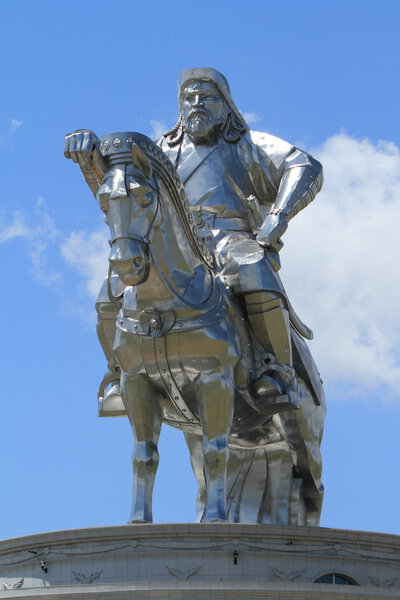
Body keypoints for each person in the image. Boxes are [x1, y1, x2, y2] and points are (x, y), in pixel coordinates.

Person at [67, 67, 324, 409]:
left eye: (208, 97)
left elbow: (305, 165)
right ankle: (119, 375)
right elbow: (121, 194)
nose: (197, 104)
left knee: (253, 266)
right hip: (175, 244)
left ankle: (276, 370)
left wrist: (278, 216)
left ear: (225, 104)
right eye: (189, 98)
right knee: (112, 286)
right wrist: (90, 160)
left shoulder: (247, 144)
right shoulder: (160, 151)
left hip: (231, 236)